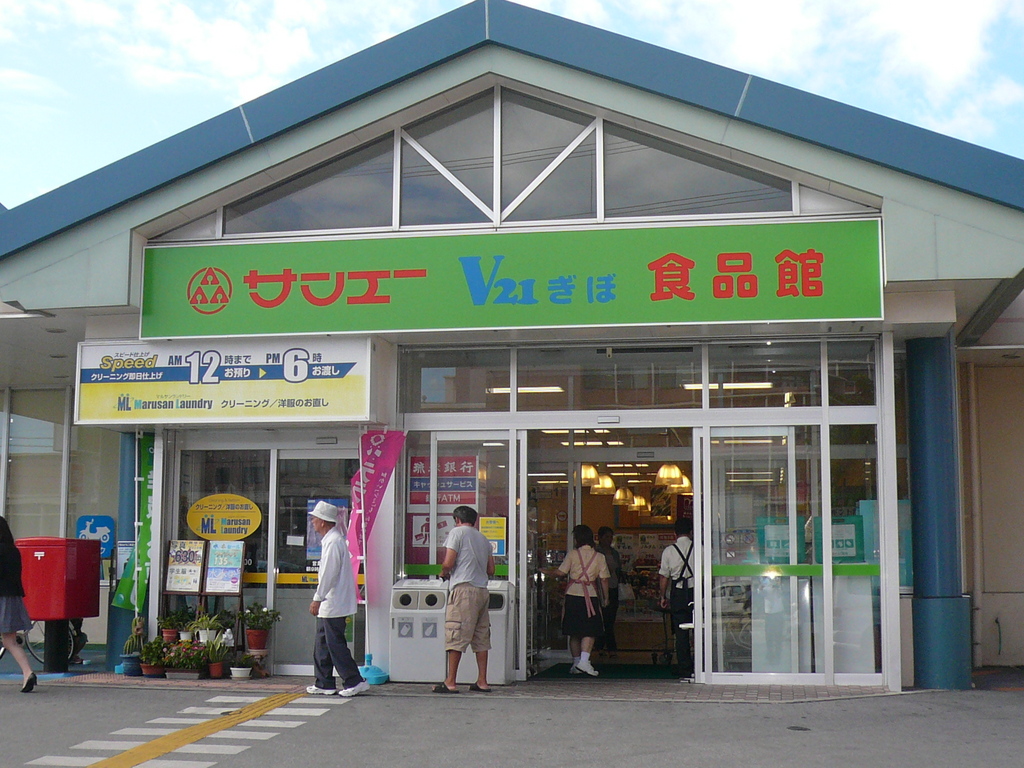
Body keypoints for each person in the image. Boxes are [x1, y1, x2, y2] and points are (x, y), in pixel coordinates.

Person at [306, 501, 369, 697]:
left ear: (323, 521)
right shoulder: (332, 540)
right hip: (331, 603)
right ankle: (324, 682)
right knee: (323, 644)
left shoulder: (333, 542)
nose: (312, 521)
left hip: (333, 602)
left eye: (315, 518)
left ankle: (354, 680)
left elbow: (328, 575)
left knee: (334, 644)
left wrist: (317, 598)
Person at [435, 505, 495, 693]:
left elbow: (448, 562)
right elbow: (491, 569)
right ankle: (482, 681)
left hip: (463, 590)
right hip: (482, 591)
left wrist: (443, 572)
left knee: (456, 633)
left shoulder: (457, 532)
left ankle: (451, 681)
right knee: (481, 637)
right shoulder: (483, 539)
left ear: (457, 519)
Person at [550, 524, 610, 677]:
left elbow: (561, 572)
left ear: (577, 539)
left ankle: (576, 663)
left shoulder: (572, 554)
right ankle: (584, 661)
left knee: (574, 631)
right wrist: (606, 598)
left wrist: (546, 571)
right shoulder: (599, 557)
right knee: (590, 630)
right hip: (591, 596)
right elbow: (604, 580)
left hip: (572, 595)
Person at [0, 516, 36, 692]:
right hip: (12, 598)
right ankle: (28, 672)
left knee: (8, 641)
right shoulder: (13, 551)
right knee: (10, 641)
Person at [659, 516, 695, 682]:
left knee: (681, 633)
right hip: (696, 592)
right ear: (691, 532)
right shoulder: (700, 548)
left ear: (675, 533)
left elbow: (664, 577)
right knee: (700, 629)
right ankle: (702, 666)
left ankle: (685, 669)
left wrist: (662, 596)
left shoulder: (669, 551)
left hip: (678, 594)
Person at [593, 526, 622, 657]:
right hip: (600, 588)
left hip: (613, 586)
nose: (609, 540)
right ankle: (609, 647)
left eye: (611, 537)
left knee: (610, 618)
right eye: (606, 537)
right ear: (599, 538)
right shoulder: (596, 552)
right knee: (603, 618)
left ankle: (602, 646)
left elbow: (618, 569)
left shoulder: (614, 553)